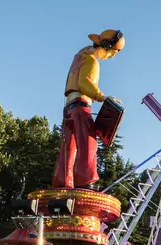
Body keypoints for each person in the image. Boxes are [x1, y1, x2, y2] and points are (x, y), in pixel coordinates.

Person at [53, 29, 125, 189]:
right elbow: (84, 83)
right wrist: (103, 97)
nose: (112, 56)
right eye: (113, 52)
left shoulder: (79, 58)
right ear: (106, 46)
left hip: (68, 108)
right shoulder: (92, 61)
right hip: (81, 106)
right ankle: (86, 180)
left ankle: (62, 182)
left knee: (68, 146)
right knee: (88, 142)